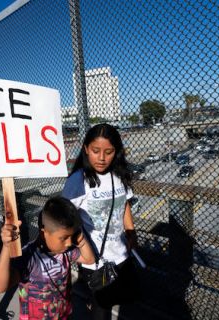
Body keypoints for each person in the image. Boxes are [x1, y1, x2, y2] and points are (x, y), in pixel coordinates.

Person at [61, 123, 138, 320]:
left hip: (121, 254)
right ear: (86, 149)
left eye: (109, 152)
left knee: (117, 300)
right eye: (95, 151)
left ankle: (91, 300)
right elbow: (64, 218)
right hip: (94, 261)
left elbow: (125, 205)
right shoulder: (79, 180)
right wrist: (81, 248)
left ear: (117, 152)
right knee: (101, 312)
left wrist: (131, 232)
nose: (102, 158)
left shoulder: (120, 176)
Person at [0, 196, 95, 320]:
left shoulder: (65, 251)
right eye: (64, 238)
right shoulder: (29, 256)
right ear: (43, 232)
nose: (69, 243)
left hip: (64, 314)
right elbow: (0, 287)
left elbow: (90, 260)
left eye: (71, 236)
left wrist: (80, 239)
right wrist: (6, 247)